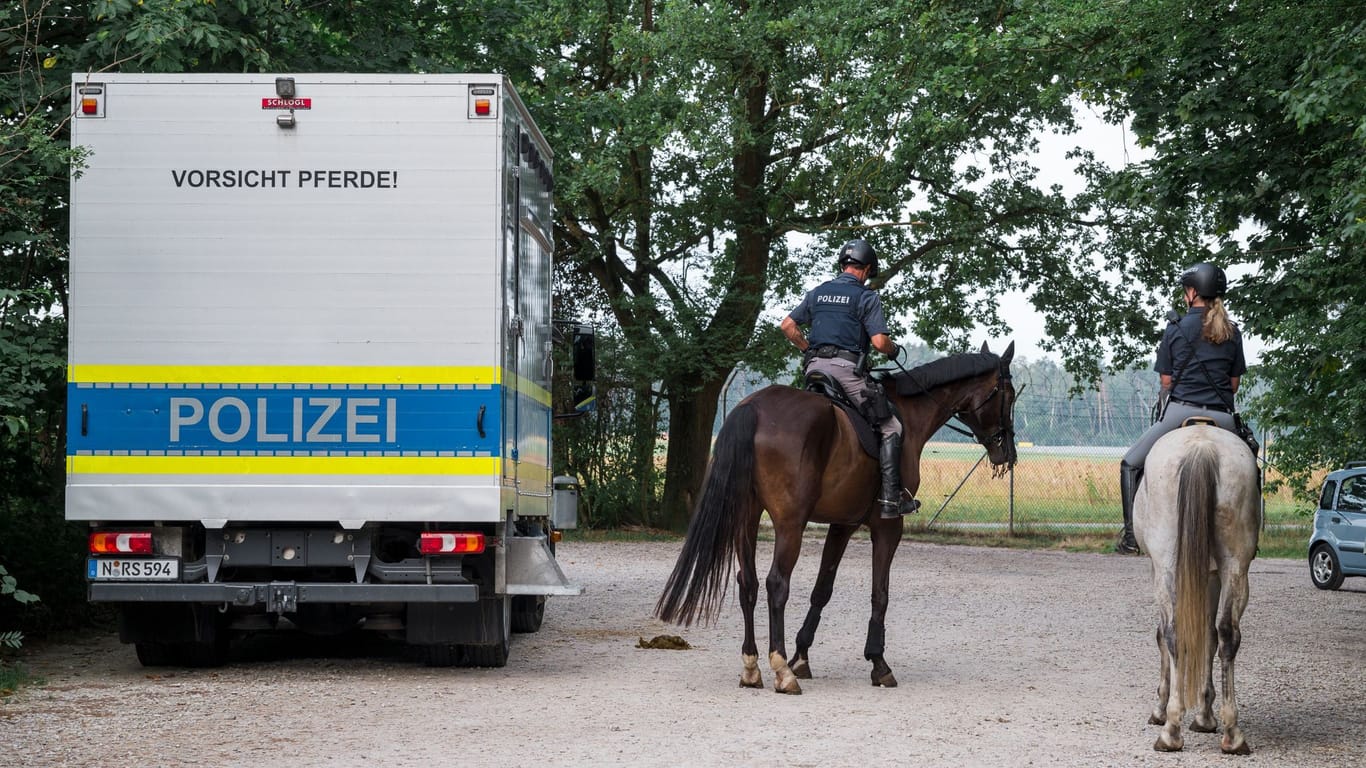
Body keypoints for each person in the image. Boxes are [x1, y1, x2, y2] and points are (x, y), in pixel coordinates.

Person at [1115, 262, 1247, 554]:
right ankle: (1249, 530)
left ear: (1192, 292)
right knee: (1250, 461)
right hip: (1222, 418)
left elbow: (1166, 380)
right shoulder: (1232, 332)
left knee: (1130, 463)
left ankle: (1129, 537)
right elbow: (1234, 384)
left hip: (1179, 413)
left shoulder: (1175, 328)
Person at [780, 238, 918, 518]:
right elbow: (879, 342)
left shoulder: (818, 293)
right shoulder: (866, 297)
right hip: (846, 372)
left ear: (843, 265)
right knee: (891, 427)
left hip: (814, 370)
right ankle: (891, 500)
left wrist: (808, 349)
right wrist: (892, 350)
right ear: (866, 269)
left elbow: (787, 325)